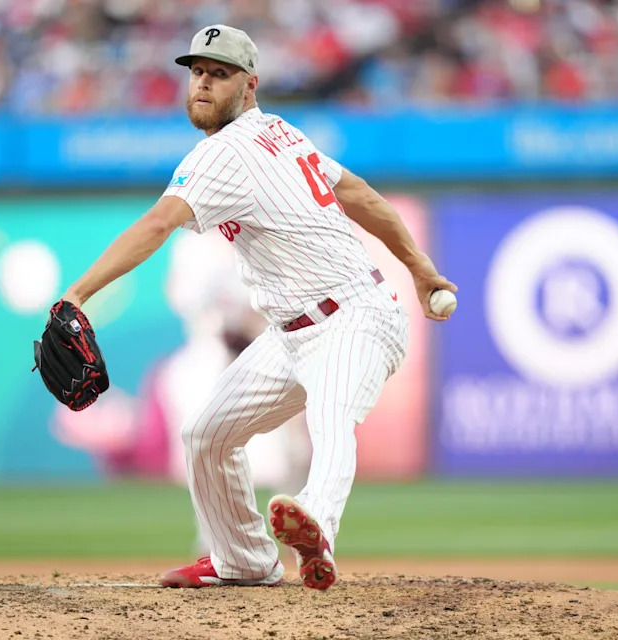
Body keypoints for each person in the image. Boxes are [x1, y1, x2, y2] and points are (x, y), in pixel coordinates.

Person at [60, 24, 457, 590]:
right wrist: (420, 269)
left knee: (330, 415)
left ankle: (317, 523)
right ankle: (244, 561)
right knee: (206, 436)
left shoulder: (224, 153)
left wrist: (78, 293)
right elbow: (359, 195)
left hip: (355, 316)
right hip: (291, 333)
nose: (202, 83)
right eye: (196, 71)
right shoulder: (282, 134)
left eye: (218, 74)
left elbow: (157, 224)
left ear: (249, 85)